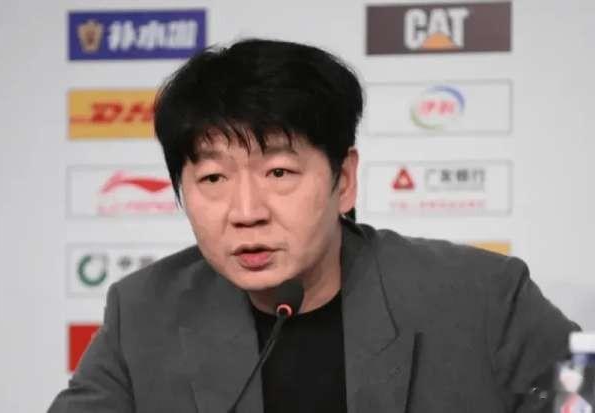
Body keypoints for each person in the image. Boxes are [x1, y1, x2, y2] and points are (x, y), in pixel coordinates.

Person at [48, 39, 579, 413]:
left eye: (279, 172)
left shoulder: (482, 297)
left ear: (343, 181)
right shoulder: (144, 313)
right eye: (212, 178)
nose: (246, 211)